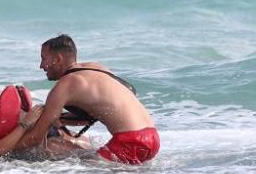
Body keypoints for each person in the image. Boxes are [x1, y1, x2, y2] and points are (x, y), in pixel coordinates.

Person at [16, 34, 159, 165]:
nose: (41, 65)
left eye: (44, 59)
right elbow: (94, 115)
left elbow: (35, 138)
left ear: (58, 59)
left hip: (129, 141)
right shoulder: (96, 68)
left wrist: (1, 150)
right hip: (151, 137)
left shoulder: (65, 85)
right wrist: (57, 118)